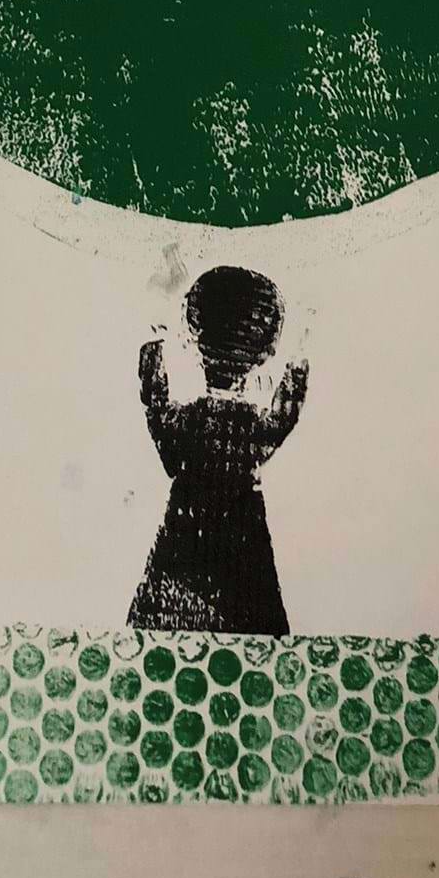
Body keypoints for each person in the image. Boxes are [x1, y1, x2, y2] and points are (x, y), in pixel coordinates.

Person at [128, 267, 308, 635]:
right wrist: (300, 354)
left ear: (193, 340)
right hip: (244, 547)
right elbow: (284, 414)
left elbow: (155, 405)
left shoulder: (188, 421)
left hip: (182, 550)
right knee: (253, 634)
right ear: (266, 353)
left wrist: (157, 333)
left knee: (165, 635)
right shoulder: (253, 427)